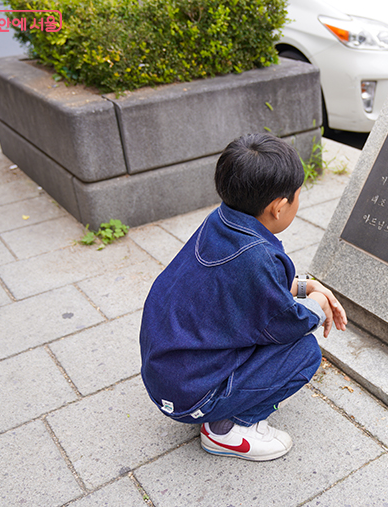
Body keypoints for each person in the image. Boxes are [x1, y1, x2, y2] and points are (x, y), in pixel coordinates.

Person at [139, 133, 347, 462]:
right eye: (296, 197)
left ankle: (222, 405)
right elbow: (284, 324)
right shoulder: (258, 258)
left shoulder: (220, 221)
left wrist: (308, 287)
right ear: (278, 207)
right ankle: (226, 430)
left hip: (170, 375)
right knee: (304, 353)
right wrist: (318, 308)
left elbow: (251, 288)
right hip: (191, 395)